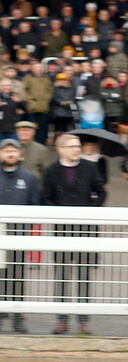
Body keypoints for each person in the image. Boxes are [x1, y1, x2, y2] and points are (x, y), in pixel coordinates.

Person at [42, 134, 107, 335]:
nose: (77, 149)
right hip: (61, 231)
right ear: (60, 149)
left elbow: (102, 191)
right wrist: (61, 213)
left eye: (78, 146)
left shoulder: (89, 167)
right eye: (71, 146)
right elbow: (45, 198)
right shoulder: (51, 171)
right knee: (61, 276)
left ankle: (83, 320)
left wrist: (89, 210)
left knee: (84, 276)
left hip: (86, 231)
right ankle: (62, 319)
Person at [0, 138, 39, 334]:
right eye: (6, 150)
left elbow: (34, 206)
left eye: (13, 150)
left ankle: (17, 319)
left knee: (17, 276)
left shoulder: (29, 178)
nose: (10, 154)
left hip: (18, 234)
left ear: (19, 153)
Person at [15, 120, 52, 190]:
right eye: (22, 130)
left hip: (34, 187)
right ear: (17, 132)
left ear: (33, 133)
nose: (24, 133)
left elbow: (46, 172)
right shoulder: (11, 148)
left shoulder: (41, 150)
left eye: (27, 130)